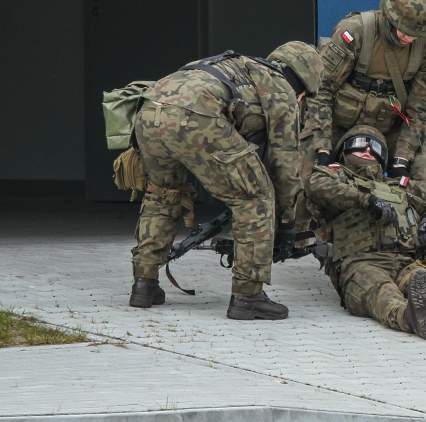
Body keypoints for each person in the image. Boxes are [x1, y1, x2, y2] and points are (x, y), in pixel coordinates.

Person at [128, 42, 322, 320]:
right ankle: (248, 296)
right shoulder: (282, 90)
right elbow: (284, 164)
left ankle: (144, 285)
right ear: (304, 87)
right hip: (196, 115)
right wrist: (288, 219)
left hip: (148, 111)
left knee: (163, 194)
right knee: (255, 198)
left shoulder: (241, 67)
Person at [305, 125, 426, 340]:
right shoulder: (335, 178)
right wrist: (367, 201)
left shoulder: (398, 187)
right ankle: (409, 316)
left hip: (405, 260)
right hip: (360, 262)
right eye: (358, 144)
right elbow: (317, 186)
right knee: (380, 291)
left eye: (375, 148)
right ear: (343, 151)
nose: (367, 150)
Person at [308, 0, 426, 186]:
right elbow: (321, 91)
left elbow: (423, 108)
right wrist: (323, 150)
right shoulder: (356, 32)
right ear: (391, 17)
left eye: (416, 34)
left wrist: (402, 159)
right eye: (405, 30)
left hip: (392, 133)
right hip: (338, 127)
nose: (409, 38)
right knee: (303, 172)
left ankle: (419, 218)